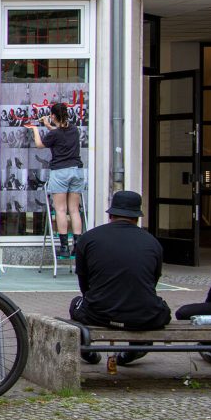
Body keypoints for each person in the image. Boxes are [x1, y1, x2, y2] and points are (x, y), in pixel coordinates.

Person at [69, 191, 171, 365]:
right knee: (163, 309)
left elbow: (84, 284)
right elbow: (152, 282)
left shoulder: (88, 239)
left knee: (76, 304)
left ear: (110, 215)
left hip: (99, 313)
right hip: (143, 315)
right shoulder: (152, 242)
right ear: (137, 217)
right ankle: (135, 348)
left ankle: (87, 351)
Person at [29, 102, 84, 257]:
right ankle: (78, 245)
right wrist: (48, 125)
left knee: (60, 210)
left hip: (60, 172)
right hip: (77, 171)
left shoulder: (55, 134)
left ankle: (64, 247)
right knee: (74, 210)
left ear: (53, 116)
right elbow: (60, 134)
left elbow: (40, 144)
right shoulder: (74, 130)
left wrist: (35, 129)